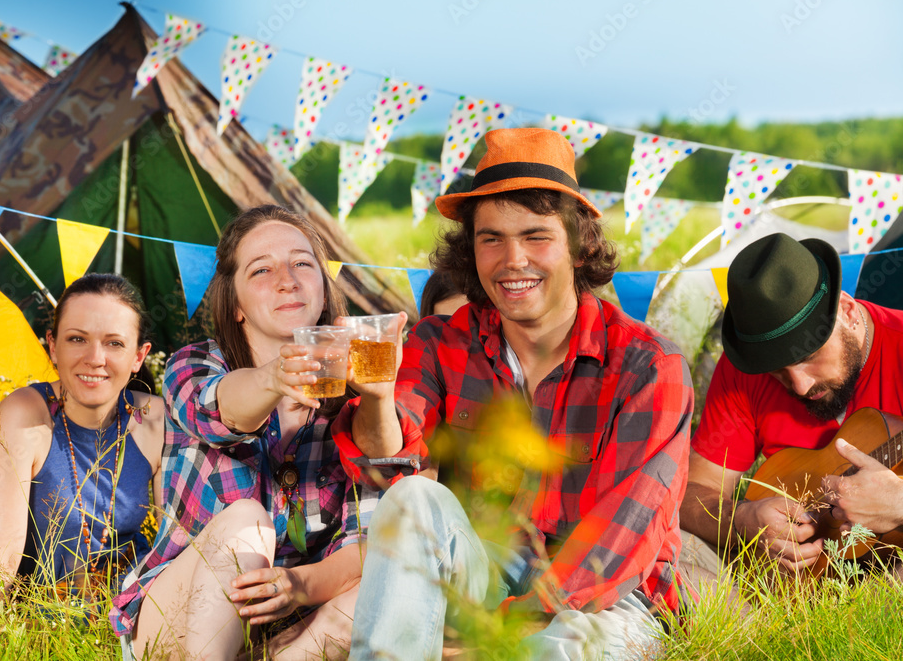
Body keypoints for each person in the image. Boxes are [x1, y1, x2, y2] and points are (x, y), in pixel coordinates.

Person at [332, 128, 694, 659]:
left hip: (608, 600)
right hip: (487, 572)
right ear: (471, 250)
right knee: (412, 500)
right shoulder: (440, 341)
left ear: (578, 245)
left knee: (556, 652)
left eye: (536, 236)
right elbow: (382, 473)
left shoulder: (648, 366)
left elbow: (620, 543)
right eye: (491, 238)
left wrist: (496, 636)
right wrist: (379, 399)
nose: (512, 260)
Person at [110, 205, 381, 660]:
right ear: (235, 305)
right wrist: (275, 378)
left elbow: (366, 540)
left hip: (290, 627)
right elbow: (221, 413)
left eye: (301, 263)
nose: (287, 279)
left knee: (383, 588)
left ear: (322, 285)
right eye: (262, 270)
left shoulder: (355, 401)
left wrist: (300, 586)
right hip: (178, 614)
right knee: (245, 520)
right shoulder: (194, 366)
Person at [681, 233, 903, 574]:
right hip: (790, 580)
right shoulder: (747, 370)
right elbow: (691, 494)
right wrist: (742, 520)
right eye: (777, 371)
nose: (800, 386)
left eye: (809, 355)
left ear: (848, 312)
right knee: (674, 544)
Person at [0, 273, 164, 602]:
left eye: (114, 343)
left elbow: (176, 546)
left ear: (139, 355)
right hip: (46, 621)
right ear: (52, 346)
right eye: (77, 339)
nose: (95, 358)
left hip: (140, 608)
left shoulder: (156, 419)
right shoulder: (23, 416)